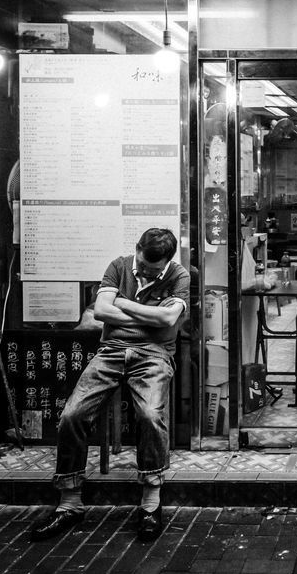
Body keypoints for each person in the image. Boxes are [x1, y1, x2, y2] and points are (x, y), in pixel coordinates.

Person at [29, 228, 190, 543]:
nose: (145, 273)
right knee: (72, 415)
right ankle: (70, 501)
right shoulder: (118, 265)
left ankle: (150, 499)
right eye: (142, 266)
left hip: (154, 355)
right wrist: (150, 316)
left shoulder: (179, 275)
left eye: (153, 271)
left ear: (167, 264)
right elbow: (102, 311)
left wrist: (125, 306)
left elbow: (169, 320)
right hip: (111, 352)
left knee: (150, 416)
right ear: (137, 250)